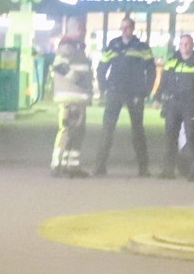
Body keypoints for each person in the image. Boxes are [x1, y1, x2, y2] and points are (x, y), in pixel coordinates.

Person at [94, 15, 158, 177]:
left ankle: (143, 168)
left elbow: (151, 71)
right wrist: (104, 88)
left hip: (135, 93)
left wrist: (144, 92)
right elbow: (101, 68)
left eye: (127, 27)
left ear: (132, 28)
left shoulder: (142, 47)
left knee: (138, 131)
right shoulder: (113, 45)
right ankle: (99, 166)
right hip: (115, 91)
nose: (124, 30)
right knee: (107, 129)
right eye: (122, 27)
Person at [156, 33, 194, 180]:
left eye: (187, 43)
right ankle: (168, 171)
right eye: (182, 44)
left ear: (192, 45)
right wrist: (157, 97)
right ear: (179, 46)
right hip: (173, 104)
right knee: (170, 138)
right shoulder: (172, 61)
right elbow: (164, 81)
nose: (185, 46)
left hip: (191, 104)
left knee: (192, 137)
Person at [47, 34, 96, 177]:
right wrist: (78, 80)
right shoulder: (68, 51)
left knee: (74, 133)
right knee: (68, 131)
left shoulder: (70, 53)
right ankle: (58, 165)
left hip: (73, 101)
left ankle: (70, 165)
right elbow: (59, 67)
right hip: (73, 100)